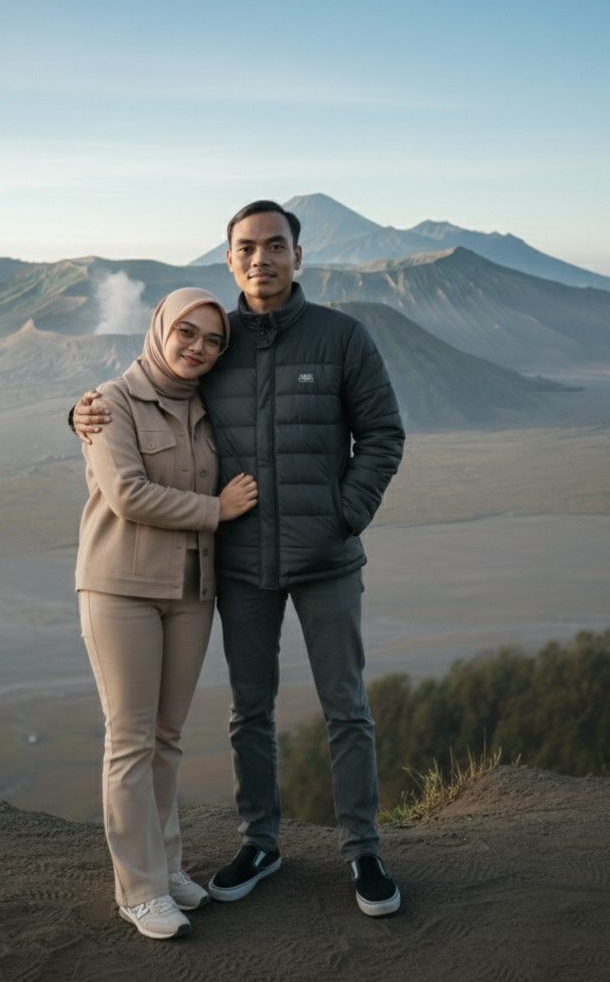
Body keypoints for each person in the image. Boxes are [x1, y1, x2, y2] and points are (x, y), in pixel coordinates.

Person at [72, 201, 405, 918]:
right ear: (229, 260)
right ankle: (260, 841)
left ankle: (363, 848)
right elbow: (147, 390)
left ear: (297, 255)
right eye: (246, 248)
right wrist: (81, 412)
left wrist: (344, 517)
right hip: (241, 563)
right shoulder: (215, 343)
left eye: (274, 245)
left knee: (346, 708)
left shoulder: (342, 337)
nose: (261, 258)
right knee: (248, 711)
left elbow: (382, 434)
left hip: (326, 560)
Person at [75, 286, 258, 940]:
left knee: (166, 737)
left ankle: (166, 867)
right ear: (160, 328)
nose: (198, 348)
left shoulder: (208, 407)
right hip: (121, 588)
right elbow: (127, 493)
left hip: (190, 591)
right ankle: (139, 890)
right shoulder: (109, 402)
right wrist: (216, 510)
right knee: (129, 740)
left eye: (213, 341)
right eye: (187, 332)